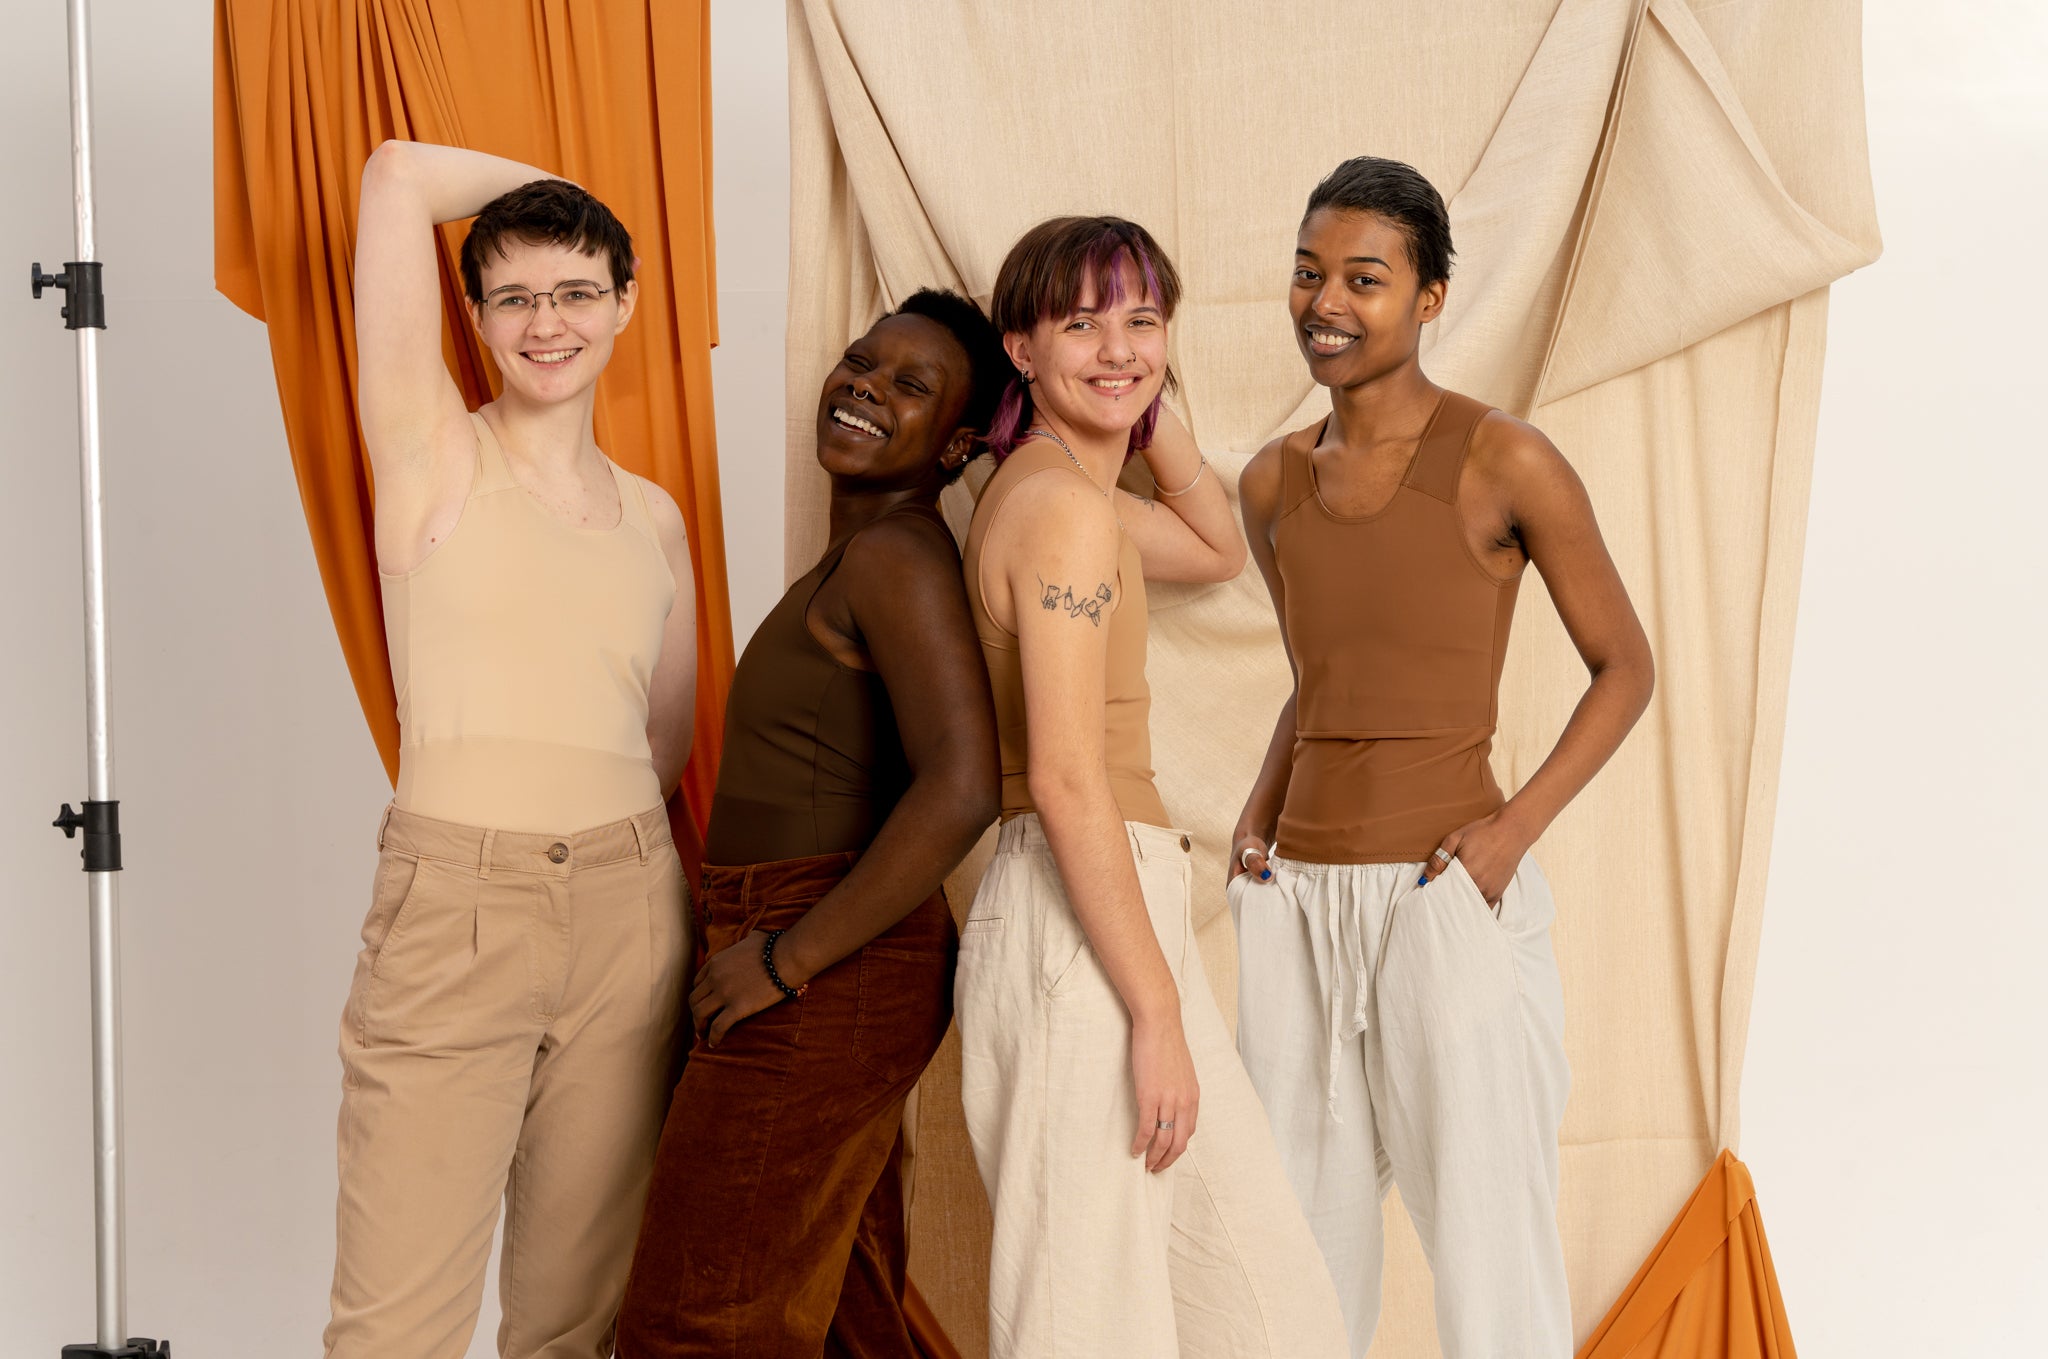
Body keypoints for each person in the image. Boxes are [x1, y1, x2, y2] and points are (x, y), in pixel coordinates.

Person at [1228, 156, 1657, 1357]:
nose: (1324, 302)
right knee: (1299, 1256)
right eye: (1308, 274)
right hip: (1295, 903)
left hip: (1439, 898)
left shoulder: (1500, 460)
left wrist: (1509, 834)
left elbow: (1624, 666)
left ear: (1430, 297)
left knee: (1486, 1246)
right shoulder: (1270, 483)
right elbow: (1316, 681)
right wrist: (1255, 821)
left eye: (1362, 278)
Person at [956, 216, 1350, 1358]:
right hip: (1078, 914)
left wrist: (1132, 399)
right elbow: (1069, 777)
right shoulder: (1063, 513)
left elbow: (1216, 546)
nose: (1118, 344)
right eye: (1078, 323)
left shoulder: (1068, 491)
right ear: (1019, 350)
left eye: (1142, 319)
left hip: (1117, 911)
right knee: (1081, 1316)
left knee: (1269, 1314)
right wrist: (1156, 1009)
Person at [329, 141, 697, 1359]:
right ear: (476, 319)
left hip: (628, 909)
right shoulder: (435, 455)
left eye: (578, 290)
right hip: (458, 907)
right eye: (516, 297)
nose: (549, 323)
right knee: (395, 1329)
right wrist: (564, 173)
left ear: (625, 303)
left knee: (573, 1323)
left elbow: (665, 736)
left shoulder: (655, 516)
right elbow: (392, 178)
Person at [615, 289, 1006, 1356]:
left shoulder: (897, 558)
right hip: (792, 938)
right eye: (860, 362)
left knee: (696, 1319)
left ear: (957, 444)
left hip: (824, 949)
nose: (865, 387)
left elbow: (964, 783)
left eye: (909, 385)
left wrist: (786, 959)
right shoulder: (857, 557)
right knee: (843, 1314)